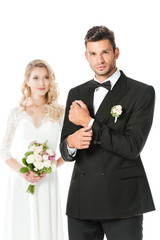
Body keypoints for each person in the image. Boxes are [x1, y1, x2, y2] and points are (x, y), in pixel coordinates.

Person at [60, 26, 155, 240]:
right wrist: (71, 143)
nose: (99, 60)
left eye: (105, 52)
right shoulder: (76, 93)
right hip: (81, 201)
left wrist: (89, 122)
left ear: (116, 53)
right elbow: (65, 150)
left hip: (122, 200)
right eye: (93, 54)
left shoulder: (141, 92)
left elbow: (132, 147)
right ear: (86, 56)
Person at [0, 59, 65, 240]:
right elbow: (4, 151)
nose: (42, 83)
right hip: (21, 181)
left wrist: (49, 169)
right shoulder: (16, 113)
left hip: (47, 181)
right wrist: (23, 172)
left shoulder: (59, 112)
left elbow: (69, 150)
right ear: (27, 81)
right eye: (36, 78)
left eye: (46, 77)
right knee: (22, 227)